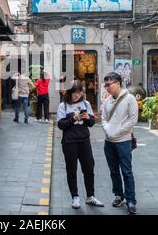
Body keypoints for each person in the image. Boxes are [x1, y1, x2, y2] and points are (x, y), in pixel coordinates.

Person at [57, 80, 104, 209]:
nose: (77, 95)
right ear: (70, 92)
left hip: (84, 141)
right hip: (69, 142)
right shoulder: (63, 106)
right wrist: (73, 118)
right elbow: (61, 125)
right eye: (74, 93)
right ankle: (75, 197)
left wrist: (89, 118)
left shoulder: (86, 103)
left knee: (89, 168)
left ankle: (90, 196)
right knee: (71, 170)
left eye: (79, 93)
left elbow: (92, 123)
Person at [101, 72, 138, 215]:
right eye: (105, 85)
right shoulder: (107, 101)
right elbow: (103, 118)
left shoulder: (130, 99)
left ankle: (131, 200)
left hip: (123, 141)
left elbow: (133, 120)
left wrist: (118, 131)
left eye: (108, 84)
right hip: (108, 142)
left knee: (127, 171)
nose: (107, 87)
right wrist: (107, 130)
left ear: (117, 83)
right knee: (113, 171)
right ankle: (119, 195)